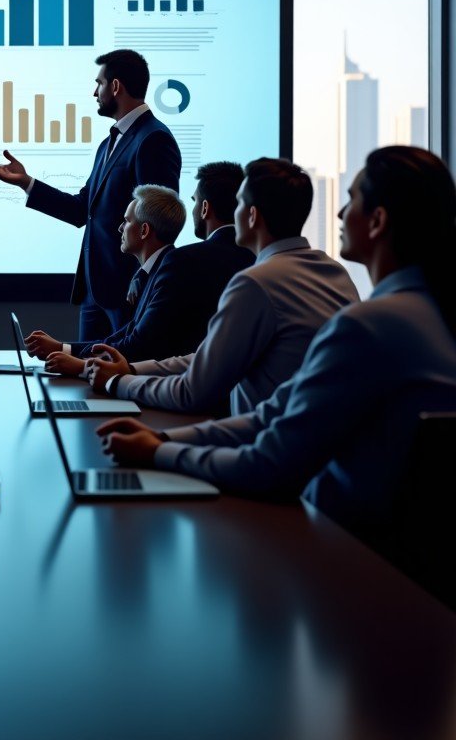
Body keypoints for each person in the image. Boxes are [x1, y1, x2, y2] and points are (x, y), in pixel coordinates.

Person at [96, 146, 456, 554]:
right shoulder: (360, 287)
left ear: (377, 221)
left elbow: (269, 462)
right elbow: (276, 412)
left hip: (335, 552)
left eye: (351, 199)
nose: (339, 214)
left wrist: (160, 451)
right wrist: (161, 438)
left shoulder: (368, 326)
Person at [87, 158, 359, 414]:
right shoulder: (337, 274)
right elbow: (210, 357)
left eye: (238, 203)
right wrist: (132, 371)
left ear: (251, 216)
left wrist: (118, 382)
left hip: (263, 442)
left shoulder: (255, 282)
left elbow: (193, 390)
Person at [0, 49, 181, 338]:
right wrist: (26, 183)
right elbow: (81, 209)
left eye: (98, 83)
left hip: (129, 292)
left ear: (115, 86)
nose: (94, 92)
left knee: (121, 376)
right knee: (85, 376)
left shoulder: (153, 139)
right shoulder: (107, 144)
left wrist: (144, 278)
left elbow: (161, 219)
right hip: (94, 292)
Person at [26, 185, 186, 372]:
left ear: (144, 231)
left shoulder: (168, 273)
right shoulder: (155, 271)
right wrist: (63, 348)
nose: (120, 228)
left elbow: (137, 346)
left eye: (126, 221)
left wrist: (81, 365)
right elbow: (124, 336)